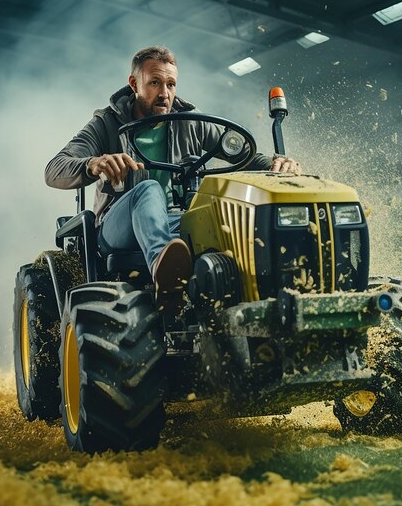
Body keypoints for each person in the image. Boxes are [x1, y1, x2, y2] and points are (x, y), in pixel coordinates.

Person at [45, 45, 300, 313]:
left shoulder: (190, 120)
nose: (164, 93)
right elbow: (55, 169)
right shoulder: (106, 123)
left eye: (170, 84)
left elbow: (241, 155)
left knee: (223, 215)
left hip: (175, 220)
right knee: (148, 189)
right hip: (118, 226)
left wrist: (275, 163)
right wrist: (94, 163)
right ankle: (165, 273)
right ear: (134, 84)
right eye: (154, 83)